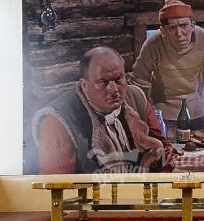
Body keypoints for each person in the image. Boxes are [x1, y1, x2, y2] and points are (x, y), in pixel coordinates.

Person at [33, 46, 177, 173]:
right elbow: (57, 185)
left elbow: (164, 148)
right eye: (102, 82)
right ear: (84, 85)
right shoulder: (59, 121)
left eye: (119, 79)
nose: (114, 89)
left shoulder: (136, 98)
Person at [129, 0, 204, 132]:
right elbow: (138, 84)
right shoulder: (153, 45)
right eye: (172, 28)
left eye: (183, 25)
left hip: (197, 110)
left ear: (193, 25)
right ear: (163, 31)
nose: (179, 34)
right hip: (166, 113)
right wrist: (146, 118)